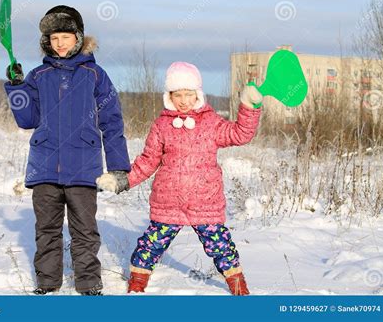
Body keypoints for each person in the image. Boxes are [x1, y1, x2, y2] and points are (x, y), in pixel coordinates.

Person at [96, 61, 262, 295]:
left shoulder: (211, 123)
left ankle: (238, 287)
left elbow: (240, 134)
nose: (183, 100)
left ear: (198, 94)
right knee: (151, 244)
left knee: (221, 246)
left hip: (205, 203)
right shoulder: (162, 125)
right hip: (168, 203)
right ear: (169, 96)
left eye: (189, 94)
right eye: (178, 94)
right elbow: (148, 161)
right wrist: (122, 180)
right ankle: (137, 282)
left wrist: (249, 106)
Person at [4, 5, 130, 295]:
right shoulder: (38, 75)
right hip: (45, 165)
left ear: (79, 37)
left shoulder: (95, 75)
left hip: (83, 167)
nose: (59, 43)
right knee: (46, 230)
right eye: (54, 38)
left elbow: (111, 122)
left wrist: (118, 167)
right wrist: (16, 87)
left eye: (65, 36)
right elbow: (28, 119)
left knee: (84, 231)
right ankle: (47, 285)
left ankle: (88, 285)